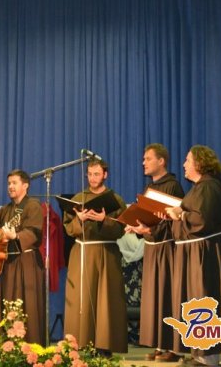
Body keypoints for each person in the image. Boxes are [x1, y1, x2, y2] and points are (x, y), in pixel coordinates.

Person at [165, 145, 221, 366]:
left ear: (200, 163)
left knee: (203, 298)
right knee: (193, 300)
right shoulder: (199, 187)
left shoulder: (209, 186)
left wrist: (179, 214)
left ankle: (207, 357)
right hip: (194, 250)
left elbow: (201, 220)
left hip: (204, 252)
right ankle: (198, 353)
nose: (184, 164)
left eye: (188, 160)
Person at [124, 144, 184, 362]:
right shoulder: (150, 187)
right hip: (152, 247)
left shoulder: (173, 186)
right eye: (143, 159)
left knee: (167, 296)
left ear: (161, 161)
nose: (144, 163)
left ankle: (174, 348)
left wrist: (149, 230)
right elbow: (149, 217)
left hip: (166, 248)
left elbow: (175, 221)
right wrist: (137, 226)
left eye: (148, 159)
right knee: (155, 297)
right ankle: (160, 344)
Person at [63, 159, 127, 356]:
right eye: (89, 174)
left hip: (106, 253)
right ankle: (82, 343)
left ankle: (105, 345)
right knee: (81, 299)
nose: (92, 178)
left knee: (106, 299)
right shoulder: (79, 198)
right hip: (82, 252)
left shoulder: (115, 199)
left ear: (105, 175)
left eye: (96, 174)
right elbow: (69, 228)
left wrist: (104, 220)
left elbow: (121, 229)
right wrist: (79, 219)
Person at [0, 169, 46, 345]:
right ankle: (8, 344)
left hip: (27, 262)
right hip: (8, 263)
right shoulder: (5, 209)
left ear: (25, 185)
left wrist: (16, 236)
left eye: (14, 183)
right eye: (9, 183)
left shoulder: (33, 205)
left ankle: (29, 345)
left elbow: (35, 232)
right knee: (7, 301)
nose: (10, 186)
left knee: (27, 304)